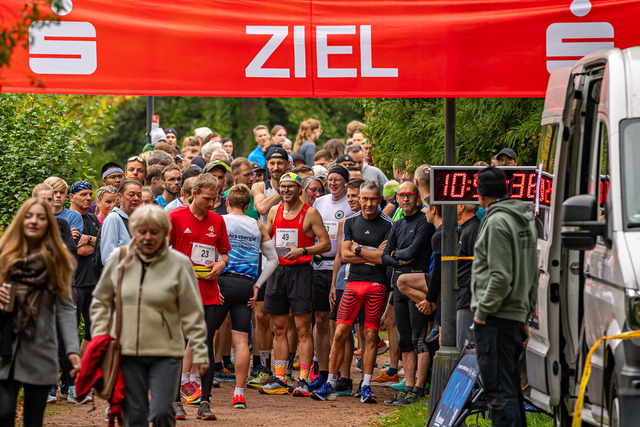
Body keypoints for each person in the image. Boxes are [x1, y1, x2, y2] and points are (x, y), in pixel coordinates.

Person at [91, 204, 209, 426]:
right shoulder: (119, 258)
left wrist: (200, 351)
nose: (147, 237)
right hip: (127, 350)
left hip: (166, 351)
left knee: (161, 411)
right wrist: (100, 338)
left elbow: (193, 311)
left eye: (154, 232)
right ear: (134, 231)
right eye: (142, 231)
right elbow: (100, 301)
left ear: (164, 233)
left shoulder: (179, 263)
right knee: (134, 414)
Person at [310, 181, 393, 404]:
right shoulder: (350, 221)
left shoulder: (388, 224)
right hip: (352, 283)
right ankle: (331, 382)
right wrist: (371, 254)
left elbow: (383, 259)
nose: (368, 203)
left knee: (370, 336)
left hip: (376, 285)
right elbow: (344, 256)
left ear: (379, 199)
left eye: (373, 199)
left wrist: (357, 248)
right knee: (339, 333)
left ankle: (366, 385)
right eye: (365, 199)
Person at [0, 198, 80, 426]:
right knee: (3, 412)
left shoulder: (58, 261)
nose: (34, 221)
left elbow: (65, 308)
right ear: (21, 220)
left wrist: (72, 350)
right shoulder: (4, 254)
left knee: (33, 419)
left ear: (48, 224)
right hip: (6, 345)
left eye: (41, 217)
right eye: (29, 216)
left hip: (40, 347)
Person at [471, 167, 538, 427]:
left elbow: (500, 277)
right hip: (514, 316)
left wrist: (482, 313)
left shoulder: (497, 222)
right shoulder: (524, 220)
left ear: (481, 194)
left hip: (495, 318)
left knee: (498, 394)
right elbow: (532, 273)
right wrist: (525, 315)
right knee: (511, 391)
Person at [259, 172, 330, 396]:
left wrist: (304, 250)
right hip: (278, 272)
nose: (286, 190)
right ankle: (280, 378)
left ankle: (303, 380)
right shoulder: (274, 210)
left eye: (291, 186)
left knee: (303, 329)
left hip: (301, 272)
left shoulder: (310, 213)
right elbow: (265, 237)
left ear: (300, 189)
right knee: (278, 328)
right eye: (283, 186)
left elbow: (326, 244)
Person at [168, 174, 232, 420]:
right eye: (207, 199)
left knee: (205, 346)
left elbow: (225, 254)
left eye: (215, 199)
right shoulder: (174, 217)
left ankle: (205, 402)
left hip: (208, 293)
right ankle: (175, 401)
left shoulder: (218, 220)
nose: (211, 204)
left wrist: (221, 264)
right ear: (194, 194)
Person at [219, 184, 279, 408]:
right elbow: (273, 259)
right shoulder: (256, 225)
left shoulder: (220, 221)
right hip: (246, 285)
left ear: (227, 202)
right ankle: (239, 393)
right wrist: (258, 285)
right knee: (241, 340)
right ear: (247, 206)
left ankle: (195, 384)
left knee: (206, 334)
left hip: (221, 282)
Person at [381, 181, 435, 406]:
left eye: (410, 195)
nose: (405, 199)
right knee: (404, 340)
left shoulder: (425, 222)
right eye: (401, 195)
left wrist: (396, 254)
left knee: (419, 339)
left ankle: (419, 389)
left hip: (417, 284)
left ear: (417, 197)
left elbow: (413, 251)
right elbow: (385, 256)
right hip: (398, 286)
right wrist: (397, 258)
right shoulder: (397, 224)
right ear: (397, 198)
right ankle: (409, 387)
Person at [308, 165, 354, 391]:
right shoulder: (320, 202)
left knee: (341, 323)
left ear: (345, 182)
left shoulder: (351, 204)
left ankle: (344, 376)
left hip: (342, 268)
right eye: (331, 179)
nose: (334, 183)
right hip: (319, 265)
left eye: (338, 180)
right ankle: (323, 371)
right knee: (320, 319)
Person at [69, 182, 101, 357]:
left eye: (90, 194)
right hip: (75, 283)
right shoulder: (68, 218)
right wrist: (95, 242)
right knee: (70, 330)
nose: (88, 198)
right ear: (71, 197)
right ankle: (66, 370)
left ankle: (83, 368)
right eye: (83, 194)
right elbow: (79, 250)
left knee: (93, 330)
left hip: (94, 282)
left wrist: (88, 239)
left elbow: (103, 243)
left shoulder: (93, 219)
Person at [456, 203, 481, 349]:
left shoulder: (473, 230)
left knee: (466, 347)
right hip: (461, 295)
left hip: (468, 298)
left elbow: (478, 267)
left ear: (461, 206)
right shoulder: (465, 229)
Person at [100, 180, 142, 264]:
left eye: (139, 195)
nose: (136, 198)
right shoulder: (113, 218)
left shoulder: (139, 220)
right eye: (131, 195)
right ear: (120, 197)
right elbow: (107, 258)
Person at [44, 176, 83, 243]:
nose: (58, 195)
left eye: (62, 192)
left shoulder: (74, 216)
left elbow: (72, 243)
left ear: (65, 195)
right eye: (54, 192)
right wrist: (66, 235)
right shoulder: (39, 216)